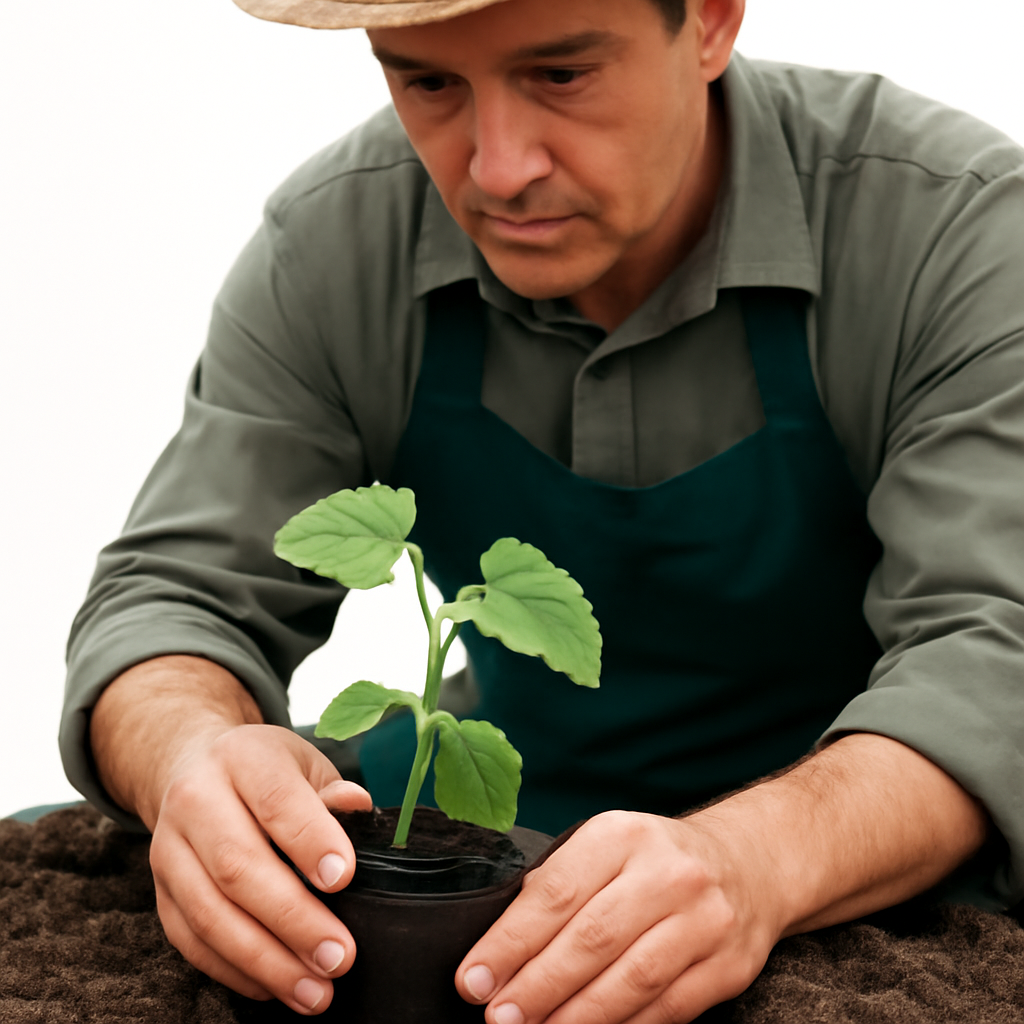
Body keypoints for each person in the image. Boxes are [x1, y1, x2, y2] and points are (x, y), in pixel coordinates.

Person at [60, 0, 1024, 1019]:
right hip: (509, 806)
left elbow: (995, 652)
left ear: (708, 20)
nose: (499, 167)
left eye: (561, 76)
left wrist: (753, 860)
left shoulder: (950, 228)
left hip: (871, 840)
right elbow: (170, 596)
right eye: (429, 82)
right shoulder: (337, 240)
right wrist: (188, 759)